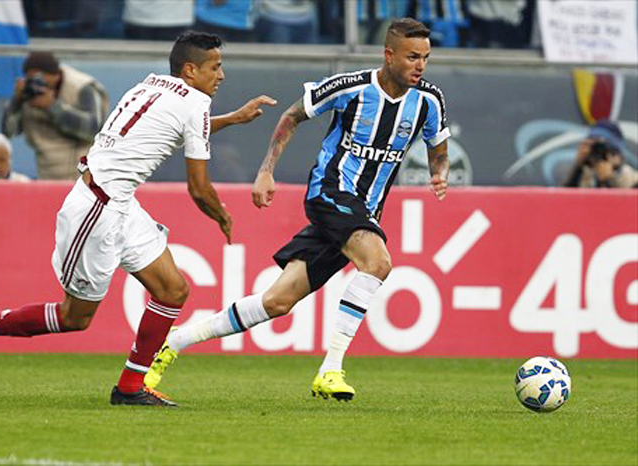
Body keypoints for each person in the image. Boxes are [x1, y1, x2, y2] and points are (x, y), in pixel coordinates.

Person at [0, 31, 276, 407]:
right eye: (215, 67)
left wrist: (230, 119)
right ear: (190, 70)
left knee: (172, 290)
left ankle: (131, 387)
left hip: (119, 203)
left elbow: (178, 127)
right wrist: (223, 215)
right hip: (96, 209)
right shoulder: (194, 103)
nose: (222, 75)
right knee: (74, 317)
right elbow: (199, 189)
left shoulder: (153, 85)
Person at [144, 18, 451, 402]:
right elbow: (292, 115)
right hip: (330, 192)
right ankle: (331, 369)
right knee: (377, 262)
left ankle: (175, 340)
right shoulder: (350, 87)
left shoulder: (429, 100)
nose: (419, 65)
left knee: (276, 302)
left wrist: (440, 173)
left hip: (364, 211)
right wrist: (267, 170)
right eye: (411, 57)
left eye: (424, 57)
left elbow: (438, 148)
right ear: (389, 55)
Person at [1, 51, 109, 180]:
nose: (38, 83)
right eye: (32, 78)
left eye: (42, 78)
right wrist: (16, 101)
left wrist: (53, 107)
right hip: (46, 176)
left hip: (81, 177)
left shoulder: (82, 87)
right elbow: (8, 132)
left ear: (56, 75)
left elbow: (94, 131)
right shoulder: (27, 93)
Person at [564, 120, 637, 189]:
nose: (599, 153)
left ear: (618, 156)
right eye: (594, 147)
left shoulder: (631, 179)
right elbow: (563, 199)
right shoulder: (585, 177)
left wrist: (607, 181)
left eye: (604, 149)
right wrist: (578, 168)